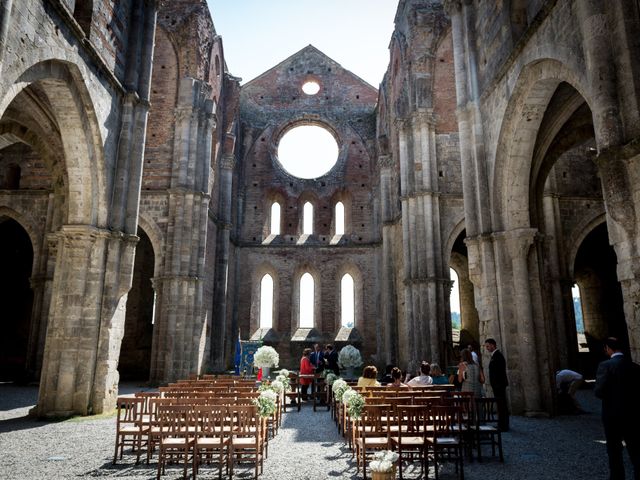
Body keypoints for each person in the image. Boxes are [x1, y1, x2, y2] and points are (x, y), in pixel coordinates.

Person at [594, 337, 640, 479]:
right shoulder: (634, 366)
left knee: (614, 449)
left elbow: (599, 391)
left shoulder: (605, 365)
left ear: (608, 348)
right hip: (632, 414)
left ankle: (617, 477)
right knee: (635, 447)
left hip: (612, 415)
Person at [485, 338, 509, 431]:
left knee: (501, 405)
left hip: (499, 385)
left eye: (487, 346)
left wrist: (496, 384)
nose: (487, 348)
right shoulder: (496, 355)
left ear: (492, 345)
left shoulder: (498, 356)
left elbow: (499, 372)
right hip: (498, 385)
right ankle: (502, 424)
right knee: (500, 405)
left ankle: (503, 425)